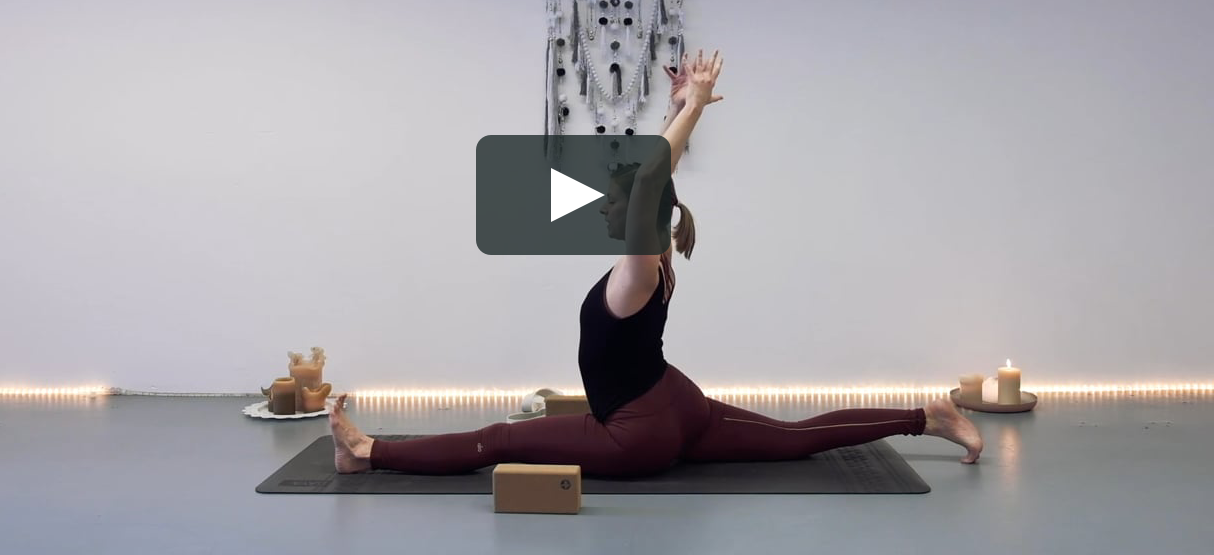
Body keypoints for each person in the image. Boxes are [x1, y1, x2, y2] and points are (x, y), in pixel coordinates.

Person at [329, 49, 983, 477]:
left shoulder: (636, 271)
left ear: (634, 215)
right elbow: (657, 186)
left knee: (499, 442)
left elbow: (649, 183)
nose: (603, 206)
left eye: (611, 201)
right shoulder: (660, 256)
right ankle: (926, 418)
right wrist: (675, 109)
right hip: (677, 403)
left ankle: (365, 451)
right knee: (792, 438)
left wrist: (692, 107)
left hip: (636, 435)